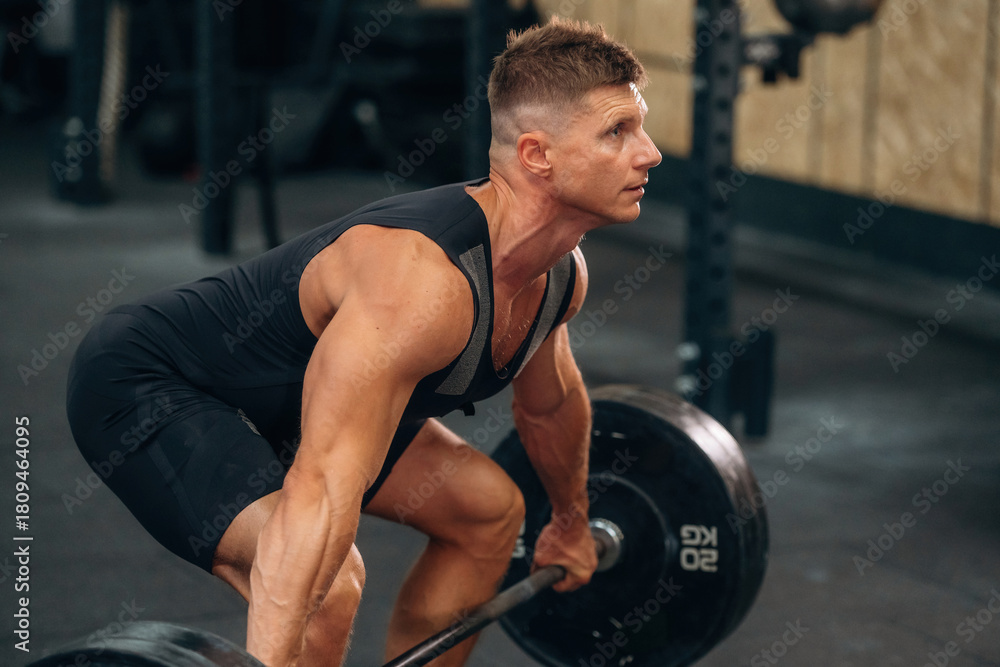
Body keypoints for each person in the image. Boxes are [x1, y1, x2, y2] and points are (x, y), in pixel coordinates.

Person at [65, 16, 661, 667]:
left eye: (640, 126)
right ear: (538, 156)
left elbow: (549, 407)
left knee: (490, 514)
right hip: (152, 381)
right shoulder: (418, 283)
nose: (649, 153)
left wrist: (570, 523)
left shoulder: (557, 277)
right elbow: (320, 495)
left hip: (295, 396)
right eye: (617, 132)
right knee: (326, 585)